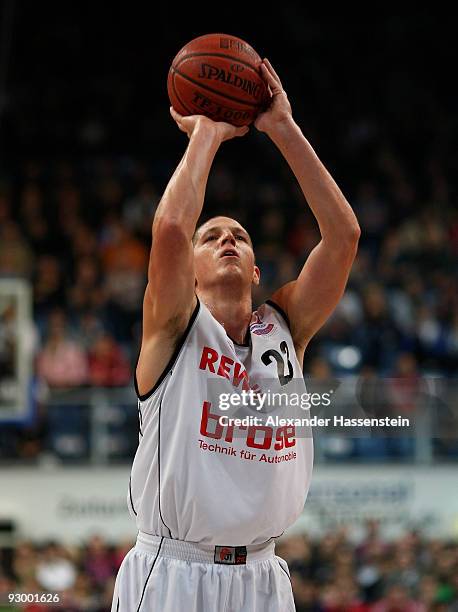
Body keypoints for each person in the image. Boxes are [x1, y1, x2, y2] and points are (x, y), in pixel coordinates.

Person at [111, 58, 360, 611]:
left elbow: (343, 236)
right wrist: (207, 133)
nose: (226, 239)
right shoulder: (174, 325)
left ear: (254, 269)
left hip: (262, 575)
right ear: (190, 271)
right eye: (212, 237)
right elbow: (172, 228)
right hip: (173, 570)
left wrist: (282, 128)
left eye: (239, 236)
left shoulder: (286, 326)